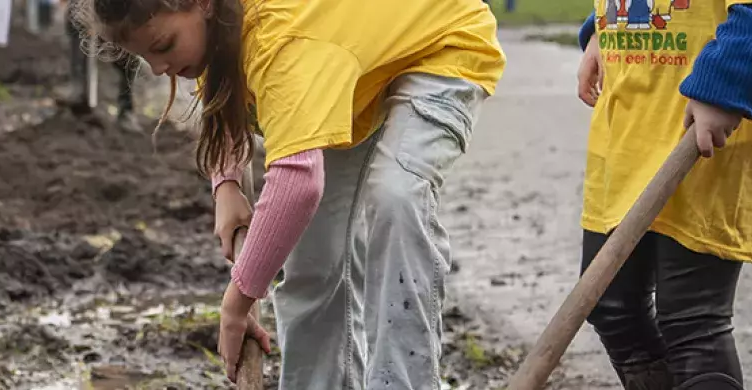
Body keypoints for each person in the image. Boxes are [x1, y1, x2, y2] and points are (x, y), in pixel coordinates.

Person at [72, 0, 504, 387]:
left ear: (202, 4)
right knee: (314, 254)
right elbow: (225, 91)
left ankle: (400, 382)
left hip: (438, 48)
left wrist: (238, 300)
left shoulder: (283, 42)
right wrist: (225, 185)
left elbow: (298, 182)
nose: (159, 68)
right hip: (348, 76)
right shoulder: (225, 26)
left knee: (394, 196)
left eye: (164, 46)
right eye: (145, 56)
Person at [573, 0, 752, 388]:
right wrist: (602, 27)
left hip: (705, 125)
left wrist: (725, 83)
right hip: (631, 121)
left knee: (691, 319)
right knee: (612, 306)